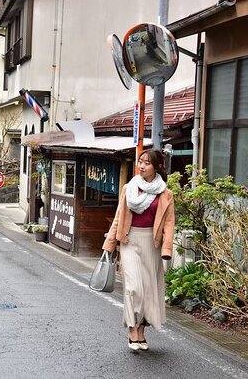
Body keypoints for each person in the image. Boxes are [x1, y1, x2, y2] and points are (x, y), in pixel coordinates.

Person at [102, 149, 175, 352]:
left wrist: (166, 248)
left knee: (148, 291)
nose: (141, 166)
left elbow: (169, 223)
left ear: (157, 166)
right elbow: (119, 216)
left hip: (152, 244)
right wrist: (109, 243)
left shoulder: (166, 194)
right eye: (140, 162)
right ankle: (132, 330)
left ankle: (141, 330)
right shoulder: (129, 187)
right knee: (134, 287)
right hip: (130, 240)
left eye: (147, 163)